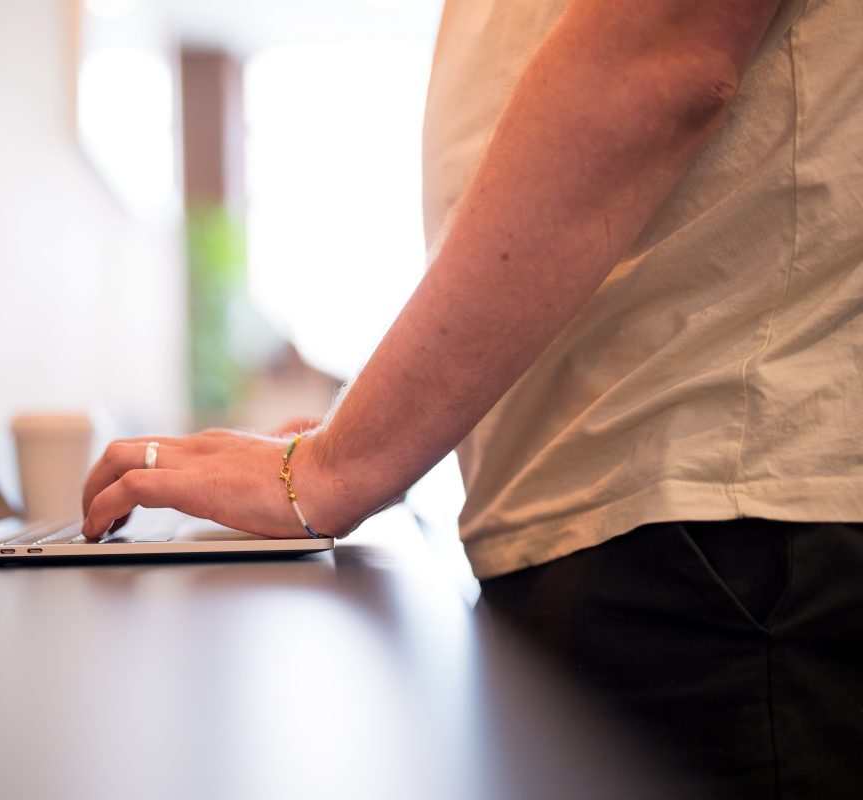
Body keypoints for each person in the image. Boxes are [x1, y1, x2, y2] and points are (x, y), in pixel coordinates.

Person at [82, 0, 862, 795]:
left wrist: (336, 465)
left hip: (725, 538)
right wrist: (363, 430)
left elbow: (661, 55)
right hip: (636, 536)